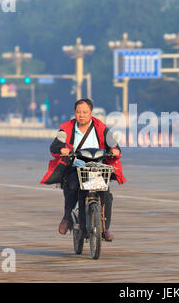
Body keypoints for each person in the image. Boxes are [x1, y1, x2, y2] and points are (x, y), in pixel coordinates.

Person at [40, 98, 126, 241]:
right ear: (75, 113)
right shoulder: (67, 129)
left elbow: (114, 145)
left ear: (91, 113)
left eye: (85, 112)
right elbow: (54, 146)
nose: (81, 115)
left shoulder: (101, 128)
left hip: (97, 167)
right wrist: (62, 149)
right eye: (78, 112)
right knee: (72, 187)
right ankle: (67, 218)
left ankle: (105, 229)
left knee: (106, 194)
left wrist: (114, 150)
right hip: (76, 167)